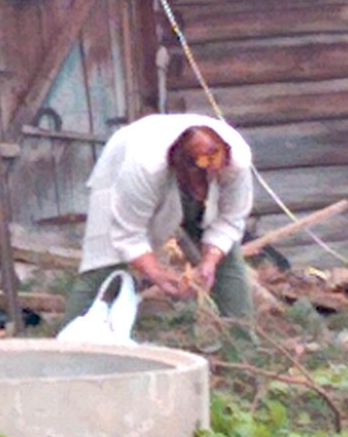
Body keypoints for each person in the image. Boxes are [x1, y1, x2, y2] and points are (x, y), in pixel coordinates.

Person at [67, 113, 255, 330]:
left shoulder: (236, 159)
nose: (211, 173)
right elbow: (128, 233)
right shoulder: (143, 165)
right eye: (199, 178)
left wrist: (210, 261)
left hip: (181, 172)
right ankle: (69, 342)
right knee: (104, 260)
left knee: (227, 257)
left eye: (214, 168)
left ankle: (242, 340)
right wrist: (156, 273)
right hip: (127, 171)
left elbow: (231, 218)